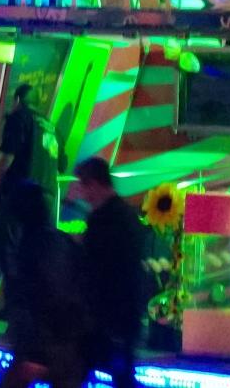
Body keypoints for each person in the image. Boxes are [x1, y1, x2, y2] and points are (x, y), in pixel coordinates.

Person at [0, 180, 90, 388]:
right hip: (63, 341)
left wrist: (33, 345)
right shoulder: (55, 240)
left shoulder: (35, 245)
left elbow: (50, 295)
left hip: (51, 341)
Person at [72, 158, 151, 388]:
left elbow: (95, 263)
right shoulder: (126, 215)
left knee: (83, 369)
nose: (82, 194)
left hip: (108, 314)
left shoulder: (103, 219)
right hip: (125, 312)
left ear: (94, 184)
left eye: (83, 186)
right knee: (120, 374)